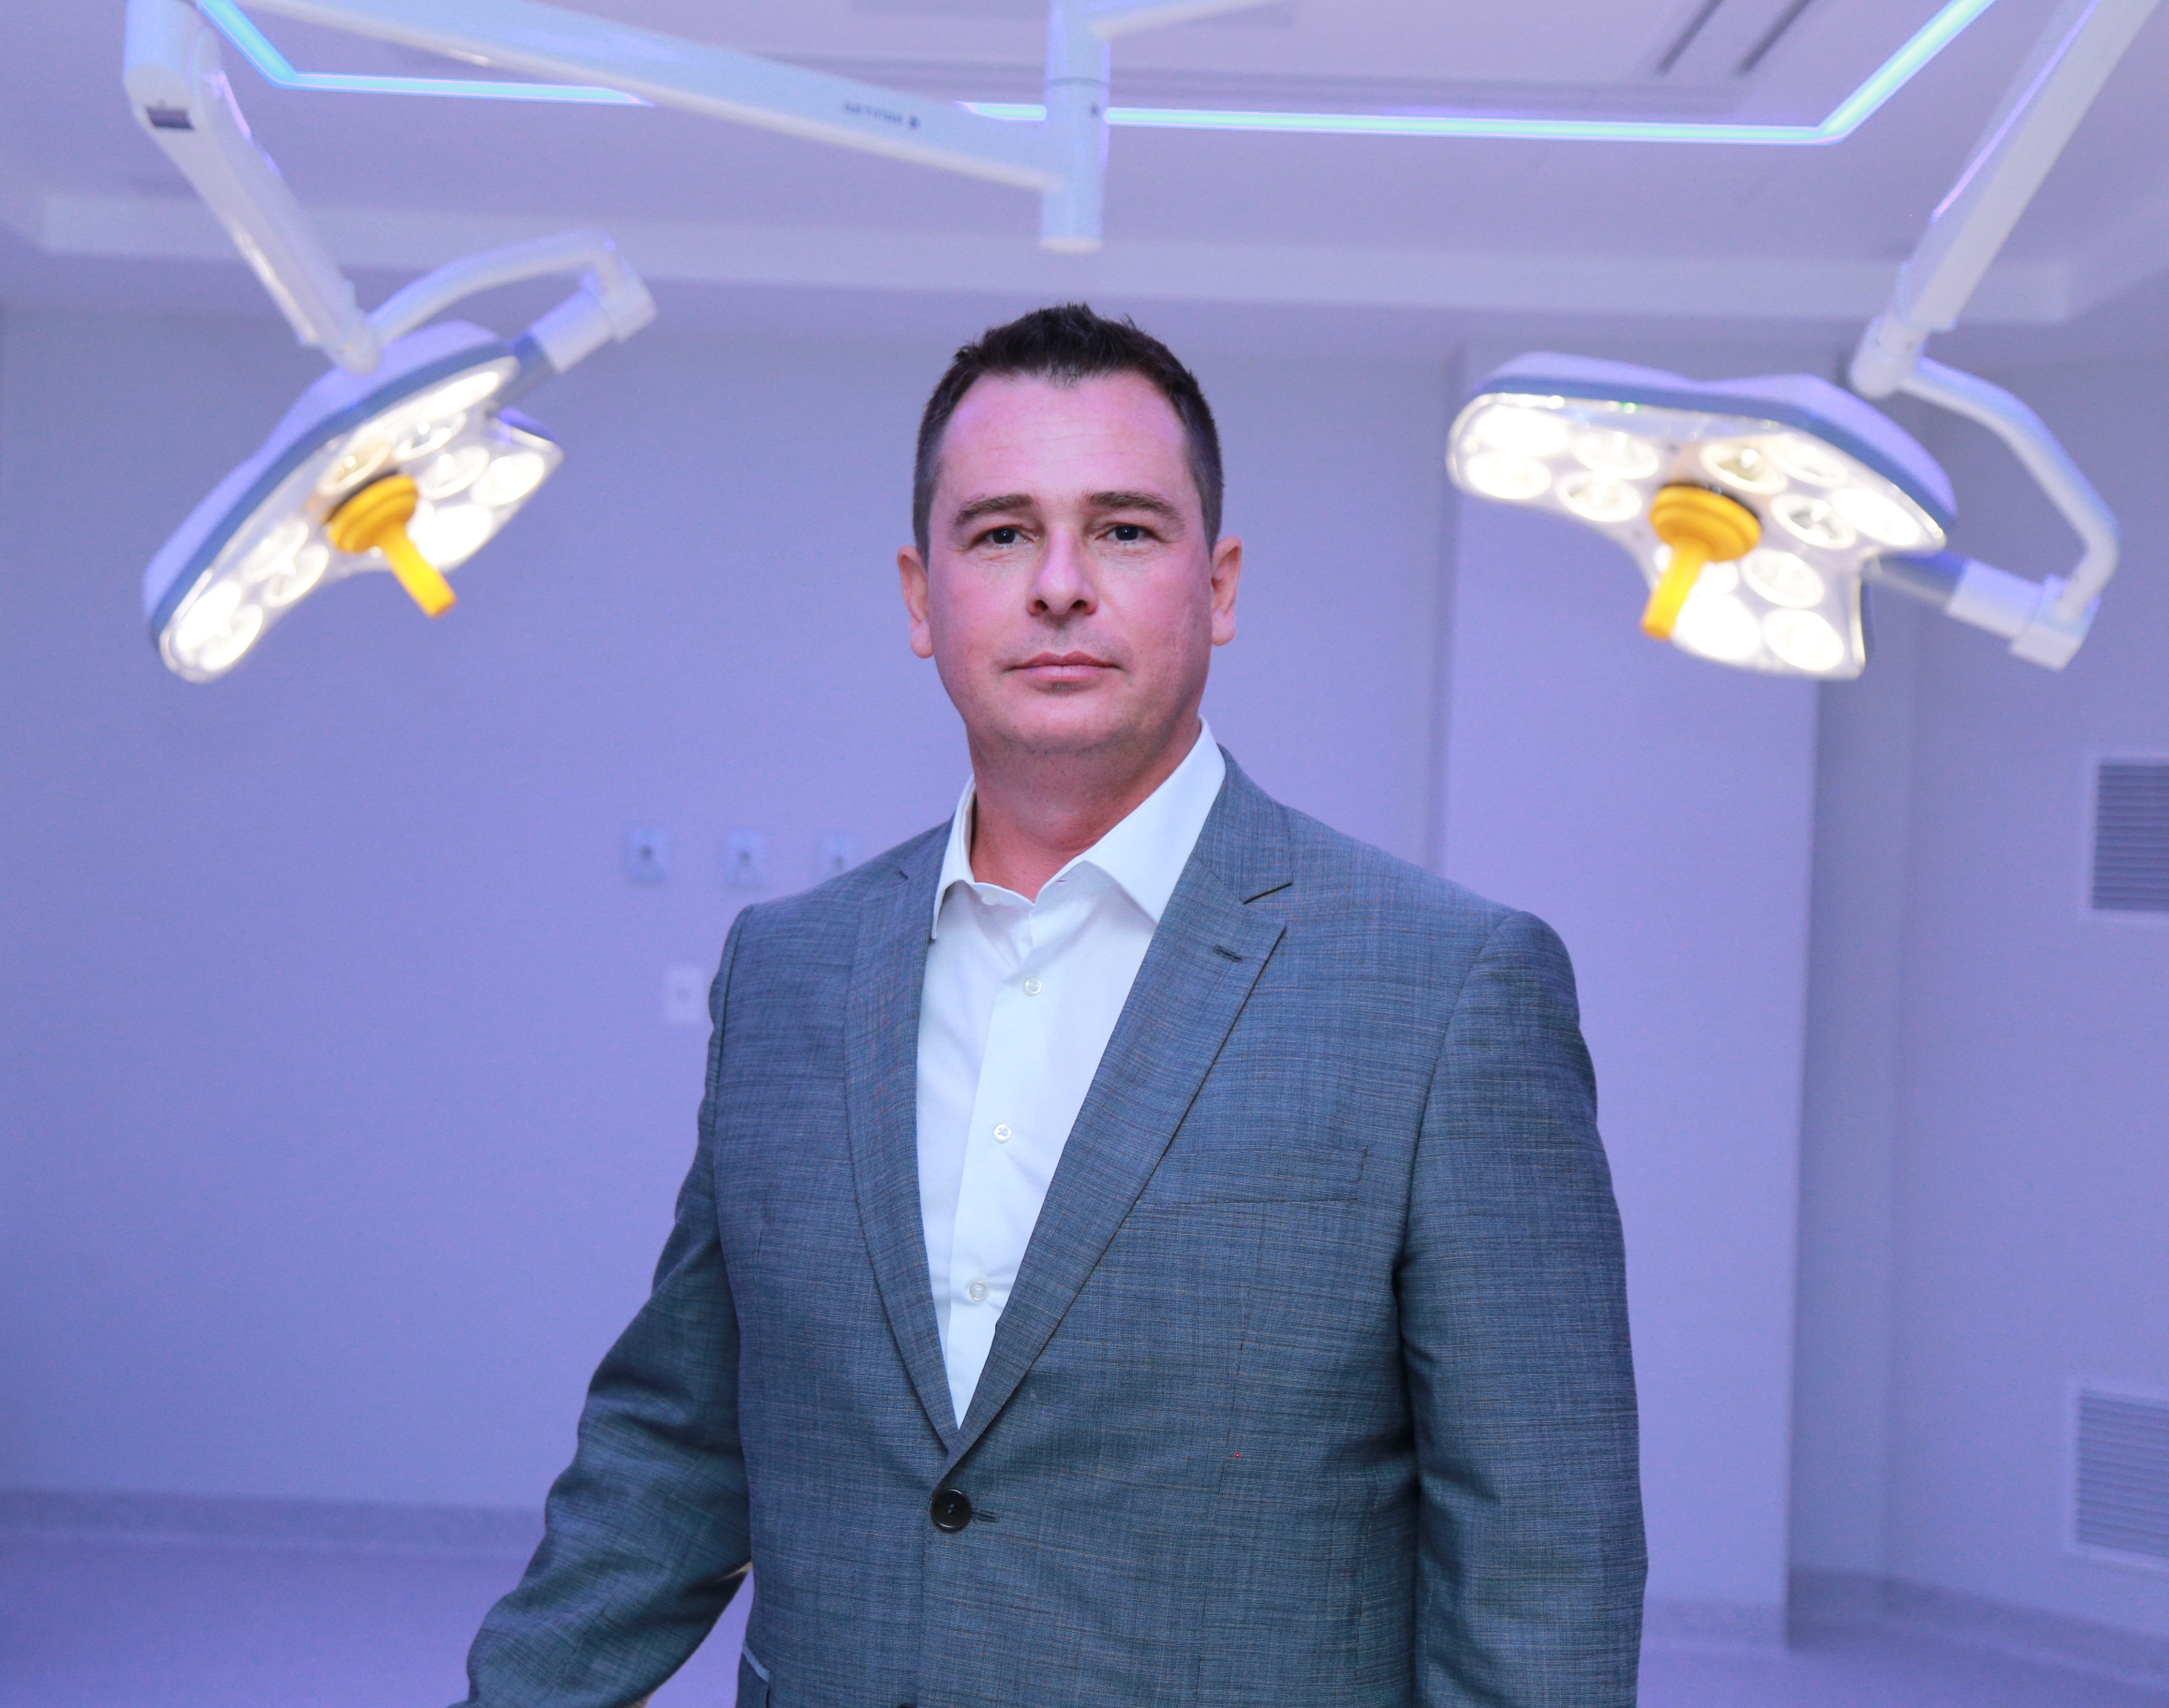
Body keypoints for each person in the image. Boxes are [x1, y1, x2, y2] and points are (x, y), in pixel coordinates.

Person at [459, 304, 1644, 1708]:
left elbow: (1539, 1565)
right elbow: (677, 1443)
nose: (1061, 585)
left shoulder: (1447, 988)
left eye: (1126, 531)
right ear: (922, 599)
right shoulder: (789, 974)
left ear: (1219, 588)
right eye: (1002, 533)